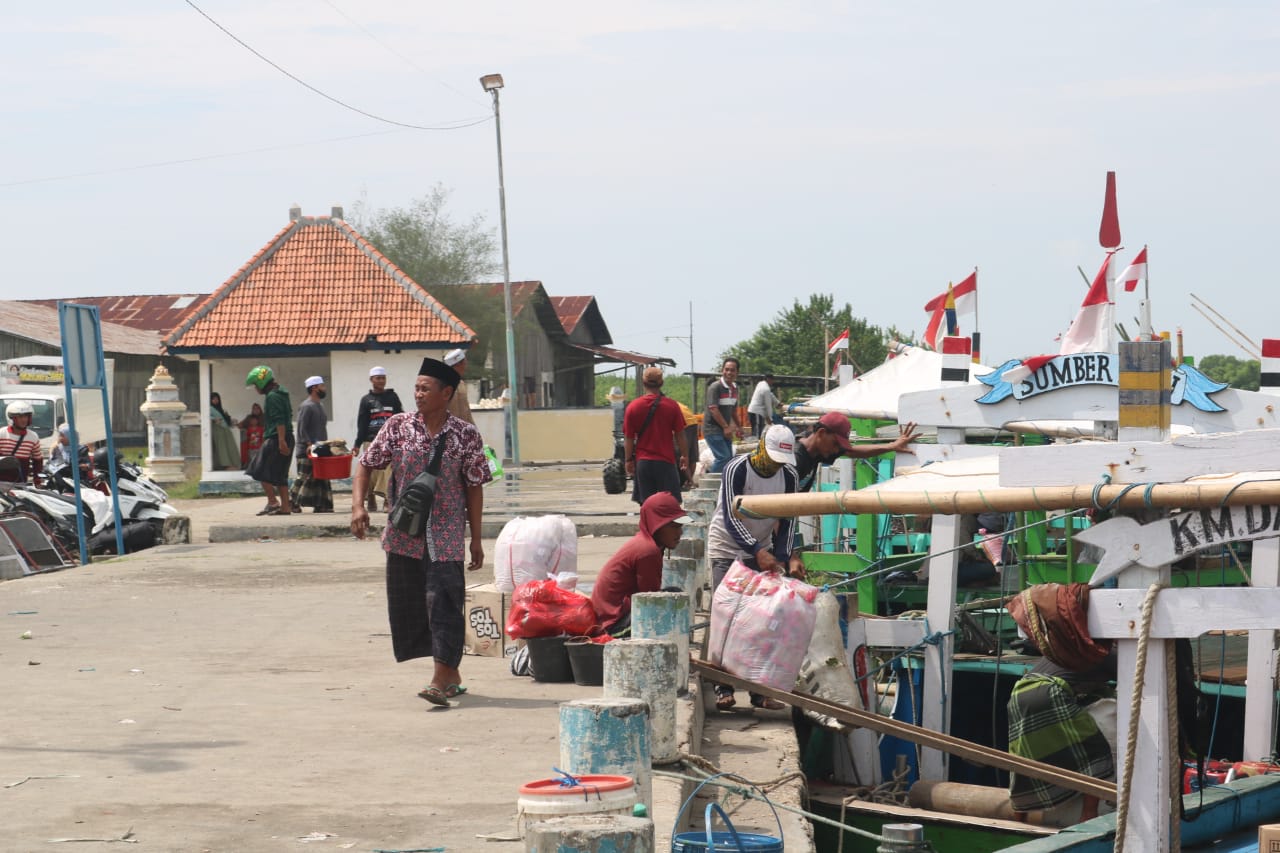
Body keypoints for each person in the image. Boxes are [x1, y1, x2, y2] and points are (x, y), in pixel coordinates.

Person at [350, 357, 491, 707]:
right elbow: (365, 466)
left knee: (444, 601)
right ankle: (451, 673)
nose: (418, 394)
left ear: (446, 393)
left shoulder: (465, 434)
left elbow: (475, 486)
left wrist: (476, 538)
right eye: (416, 388)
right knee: (412, 605)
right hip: (404, 535)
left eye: (425, 389)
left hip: (445, 535)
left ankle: (440, 677)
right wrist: (358, 506)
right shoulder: (398, 427)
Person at [706, 424, 803, 711]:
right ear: (761, 448)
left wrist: (785, 556)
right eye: (772, 459)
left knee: (761, 619)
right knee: (727, 614)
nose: (775, 466)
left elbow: (788, 520)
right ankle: (723, 685)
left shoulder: (789, 476)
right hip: (727, 547)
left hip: (761, 548)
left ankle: (759, 690)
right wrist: (757, 550)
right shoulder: (736, 469)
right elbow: (730, 516)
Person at [1007, 653, 1117, 826]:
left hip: (1019, 693)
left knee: (1026, 758)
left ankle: (1018, 818)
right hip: (1050, 692)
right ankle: (1089, 814)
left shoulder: (1070, 648)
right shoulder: (1109, 655)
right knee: (1094, 750)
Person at [590, 491, 692, 635]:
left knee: (673, 595)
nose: (680, 533)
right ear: (657, 526)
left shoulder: (646, 543)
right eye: (674, 527)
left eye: (680, 527)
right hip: (612, 626)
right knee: (668, 604)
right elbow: (650, 601)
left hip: (614, 618)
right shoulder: (648, 551)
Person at [793, 413, 920, 493]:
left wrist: (892, 446)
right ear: (821, 433)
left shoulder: (818, 449)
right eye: (836, 444)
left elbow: (853, 452)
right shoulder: (795, 458)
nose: (837, 450)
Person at [624, 367, 691, 504]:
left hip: (643, 463)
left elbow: (629, 438)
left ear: (643, 382)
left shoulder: (633, 407)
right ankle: (676, 525)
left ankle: (648, 526)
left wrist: (628, 460)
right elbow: (680, 435)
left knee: (647, 506)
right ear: (661, 383)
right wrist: (684, 456)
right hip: (665, 463)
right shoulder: (672, 406)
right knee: (671, 505)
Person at [243, 365, 293, 516]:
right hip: (285, 436)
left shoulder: (272, 396)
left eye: (255, 385)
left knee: (258, 470)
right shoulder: (282, 392)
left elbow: (279, 420)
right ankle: (285, 507)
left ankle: (272, 502)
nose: (256, 389)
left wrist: (281, 441)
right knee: (280, 474)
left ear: (261, 383)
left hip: (276, 438)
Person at [354, 366, 404, 513]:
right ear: (371, 380)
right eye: (378, 378)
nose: (381, 381)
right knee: (370, 470)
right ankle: (370, 498)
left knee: (389, 469)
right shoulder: (366, 400)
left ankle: (388, 500)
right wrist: (357, 444)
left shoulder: (393, 397)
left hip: (390, 440)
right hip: (371, 440)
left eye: (383, 378)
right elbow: (362, 424)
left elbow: (400, 417)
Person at [289, 376, 334, 513]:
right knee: (304, 477)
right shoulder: (306, 406)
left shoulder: (320, 405)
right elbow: (302, 428)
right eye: (322, 386)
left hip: (321, 447)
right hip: (307, 449)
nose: (324, 388)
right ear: (314, 388)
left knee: (321, 477)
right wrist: (309, 444)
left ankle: (322, 505)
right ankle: (291, 502)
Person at [703, 357, 742, 473]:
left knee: (729, 459)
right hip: (712, 429)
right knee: (723, 457)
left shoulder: (734, 388)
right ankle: (710, 486)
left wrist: (739, 427)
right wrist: (726, 427)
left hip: (725, 430)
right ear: (722, 370)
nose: (729, 373)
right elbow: (713, 409)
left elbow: (733, 410)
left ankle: (722, 485)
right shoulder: (715, 387)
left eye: (732, 370)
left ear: (737, 372)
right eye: (727, 369)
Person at [0, 401, 44, 484]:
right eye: (20, 417)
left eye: (26, 416)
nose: (24, 419)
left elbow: (37, 461)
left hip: (20, 483)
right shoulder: (1, 434)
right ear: (11, 418)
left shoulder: (33, 437)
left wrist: (37, 480)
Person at [209, 392, 241, 471]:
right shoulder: (209, 408)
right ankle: (226, 465)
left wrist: (230, 420)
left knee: (230, 447)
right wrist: (214, 419)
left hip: (225, 429)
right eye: (213, 399)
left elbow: (226, 419)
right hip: (218, 430)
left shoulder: (221, 409)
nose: (216, 400)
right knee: (222, 448)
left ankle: (234, 464)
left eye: (217, 399)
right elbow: (205, 416)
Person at [443, 348, 475, 425]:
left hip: (464, 432)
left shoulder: (461, 384)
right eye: (464, 362)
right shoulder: (443, 386)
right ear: (458, 364)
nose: (466, 365)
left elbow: (467, 412)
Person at [240, 403, 265, 468]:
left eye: (257, 409)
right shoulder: (249, 418)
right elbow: (241, 425)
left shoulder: (264, 417)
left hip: (260, 444)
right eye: (254, 409)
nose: (256, 410)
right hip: (251, 446)